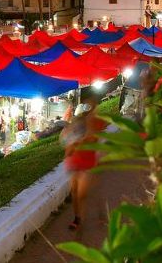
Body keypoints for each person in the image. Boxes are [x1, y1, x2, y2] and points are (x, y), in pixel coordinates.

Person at [60, 91, 107, 231]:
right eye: (87, 104)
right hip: (75, 160)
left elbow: (91, 138)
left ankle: (98, 213)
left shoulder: (96, 122)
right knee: (75, 191)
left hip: (88, 162)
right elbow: (67, 139)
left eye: (91, 104)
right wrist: (69, 148)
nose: (89, 106)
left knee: (82, 193)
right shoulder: (77, 122)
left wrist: (77, 143)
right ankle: (78, 218)